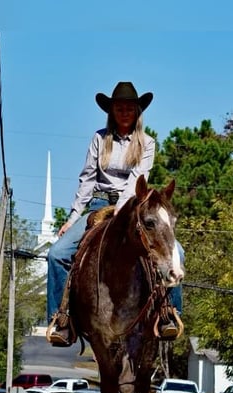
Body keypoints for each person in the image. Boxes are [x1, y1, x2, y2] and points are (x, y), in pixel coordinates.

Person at [46, 81, 183, 347]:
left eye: (129, 108)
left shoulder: (147, 143)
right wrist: (73, 218)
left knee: (178, 252)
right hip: (98, 204)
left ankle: (169, 314)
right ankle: (61, 319)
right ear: (111, 111)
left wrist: (122, 213)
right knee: (57, 254)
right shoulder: (99, 139)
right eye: (119, 108)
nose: (124, 112)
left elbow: (136, 179)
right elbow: (87, 179)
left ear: (137, 112)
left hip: (132, 207)